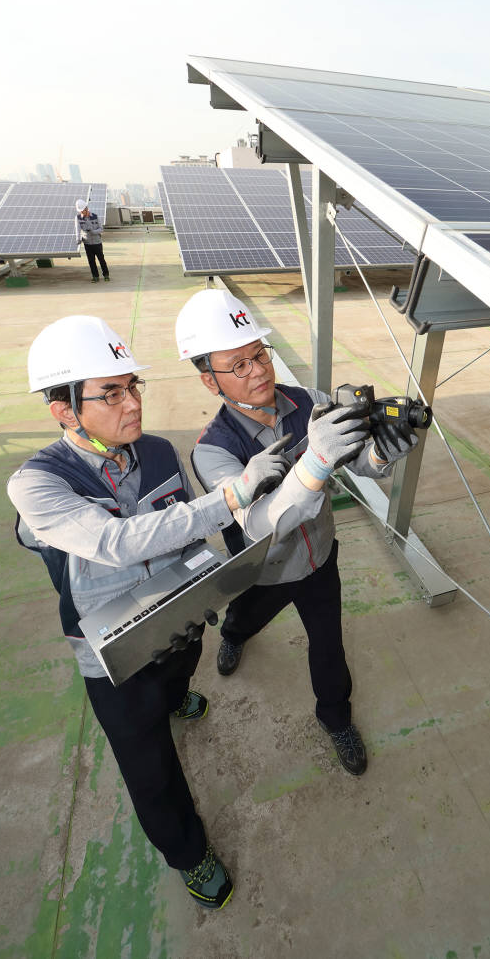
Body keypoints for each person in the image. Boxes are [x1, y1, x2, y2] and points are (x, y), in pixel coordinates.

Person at [7, 314, 292, 911]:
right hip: (112, 654)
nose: (131, 404)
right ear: (63, 409)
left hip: (176, 615)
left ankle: (174, 695)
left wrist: (206, 582)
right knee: (151, 766)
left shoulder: (160, 451)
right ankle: (189, 853)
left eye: (133, 386)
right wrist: (234, 495)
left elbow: (183, 534)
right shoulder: (37, 485)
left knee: (182, 671)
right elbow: (116, 542)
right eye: (110, 394)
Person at [175, 289, 420, 777]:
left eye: (259, 355)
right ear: (209, 380)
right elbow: (259, 522)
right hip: (263, 570)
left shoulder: (311, 401)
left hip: (319, 558)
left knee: (328, 645)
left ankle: (336, 717)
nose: (259, 370)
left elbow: (359, 464)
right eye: (238, 365)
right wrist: (316, 460)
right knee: (244, 617)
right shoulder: (213, 451)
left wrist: (383, 454)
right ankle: (236, 635)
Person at [76, 200, 109, 282]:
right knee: (91, 261)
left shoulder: (95, 216)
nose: (82, 213)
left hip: (97, 242)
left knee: (101, 259)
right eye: (80, 211)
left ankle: (106, 275)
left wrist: (94, 232)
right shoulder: (78, 218)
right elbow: (77, 230)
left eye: (83, 211)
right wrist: (78, 239)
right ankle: (95, 277)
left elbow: (101, 229)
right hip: (87, 243)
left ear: (86, 209)